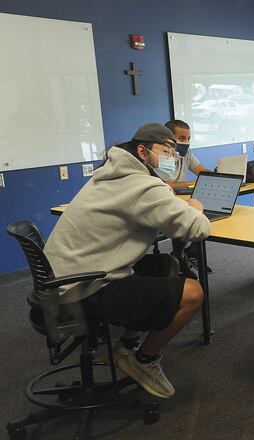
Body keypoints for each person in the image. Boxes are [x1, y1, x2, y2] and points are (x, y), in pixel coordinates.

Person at [44, 123, 211, 399]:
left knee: (167, 266)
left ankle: (126, 347)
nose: (172, 156)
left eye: (174, 151)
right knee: (193, 293)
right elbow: (198, 229)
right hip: (85, 289)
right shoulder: (141, 185)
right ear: (143, 152)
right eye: (166, 150)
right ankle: (145, 360)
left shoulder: (111, 172)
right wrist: (196, 207)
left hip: (64, 280)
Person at [160, 120, 211, 278]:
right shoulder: (159, 155)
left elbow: (202, 171)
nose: (186, 142)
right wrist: (190, 183)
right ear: (169, 138)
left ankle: (181, 255)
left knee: (198, 207)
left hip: (181, 199)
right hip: (162, 201)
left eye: (188, 138)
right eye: (182, 138)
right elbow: (160, 184)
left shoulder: (186, 153)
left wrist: (220, 176)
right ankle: (181, 256)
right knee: (186, 215)